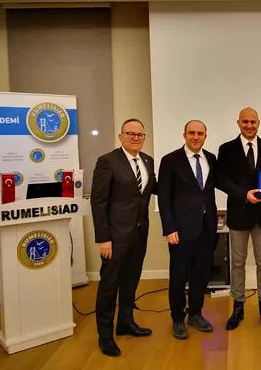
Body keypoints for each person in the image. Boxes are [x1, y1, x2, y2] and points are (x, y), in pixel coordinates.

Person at [91, 118, 157, 357]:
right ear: (121, 136)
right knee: (109, 286)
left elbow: (150, 190)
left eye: (140, 135)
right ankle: (105, 336)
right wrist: (103, 238)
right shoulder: (108, 161)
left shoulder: (147, 160)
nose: (135, 138)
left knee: (131, 281)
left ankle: (126, 322)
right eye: (130, 134)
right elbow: (98, 202)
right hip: (115, 237)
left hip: (139, 233)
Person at [216, 107, 261, 331]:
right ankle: (238, 306)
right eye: (245, 122)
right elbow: (221, 179)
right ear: (238, 123)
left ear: (258, 123)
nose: (249, 125)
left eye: (253, 122)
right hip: (239, 214)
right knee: (237, 263)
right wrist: (244, 194)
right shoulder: (226, 149)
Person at [157, 120, 218, 340]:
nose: (196, 137)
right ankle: (177, 318)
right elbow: (163, 198)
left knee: (201, 274)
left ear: (205, 136)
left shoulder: (211, 158)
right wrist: (169, 228)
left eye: (200, 133)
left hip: (207, 228)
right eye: (191, 133)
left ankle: (195, 314)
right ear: (184, 135)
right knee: (178, 275)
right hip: (180, 230)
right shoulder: (170, 160)